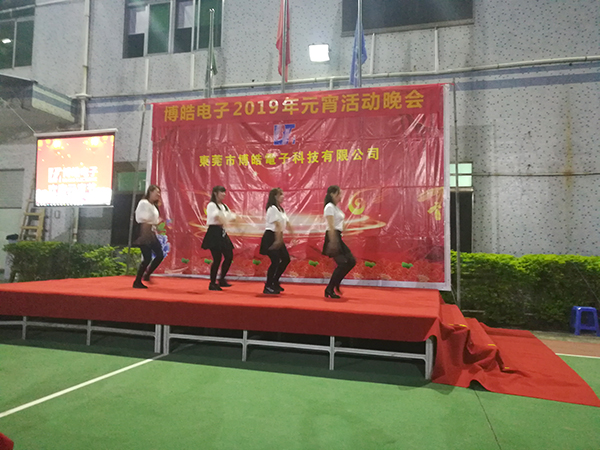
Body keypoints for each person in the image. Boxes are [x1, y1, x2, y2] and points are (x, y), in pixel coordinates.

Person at [322, 185, 356, 299]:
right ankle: (330, 289)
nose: (341, 196)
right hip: (332, 237)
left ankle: (336, 284)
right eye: (339, 193)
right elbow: (331, 226)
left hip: (338, 236)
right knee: (342, 263)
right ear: (332, 194)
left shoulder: (336, 208)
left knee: (351, 261)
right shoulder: (329, 207)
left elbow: (341, 224)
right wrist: (333, 242)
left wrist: (348, 234)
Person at [201, 185, 236, 291]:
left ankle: (221, 279)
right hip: (214, 232)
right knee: (217, 258)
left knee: (229, 256)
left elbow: (231, 217)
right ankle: (212, 283)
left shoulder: (224, 206)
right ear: (215, 193)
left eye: (224, 192)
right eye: (221, 192)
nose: (224, 194)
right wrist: (227, 217)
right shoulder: (211, 205)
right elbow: (217, 216)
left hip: (222, 232)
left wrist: (234, 218)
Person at [259, 187, 292, 294]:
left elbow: (287, 223)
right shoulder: (272, 208)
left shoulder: (281, 209)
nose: (283, 197)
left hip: (278, 236)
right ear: (275, 197)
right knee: (275, 261)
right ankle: (268, 285)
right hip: (271, 237)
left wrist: (293, 235)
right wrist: (278, 240)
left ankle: (275, 281)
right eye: (280, 194)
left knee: (286, 259)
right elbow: (277, 225)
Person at [133, 184, 164, 289]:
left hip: (150, 231)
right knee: (147, 257)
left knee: (159, 254)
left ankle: (147, 274)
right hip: (144, 231)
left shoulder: (153, 206)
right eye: (157, 192)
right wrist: (154, 221)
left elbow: (153, 219)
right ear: (150, 192)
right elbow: (142, 217)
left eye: (159, 193)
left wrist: (155, 221)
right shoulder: (144, 203)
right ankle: (137, 281)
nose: (158, 194)